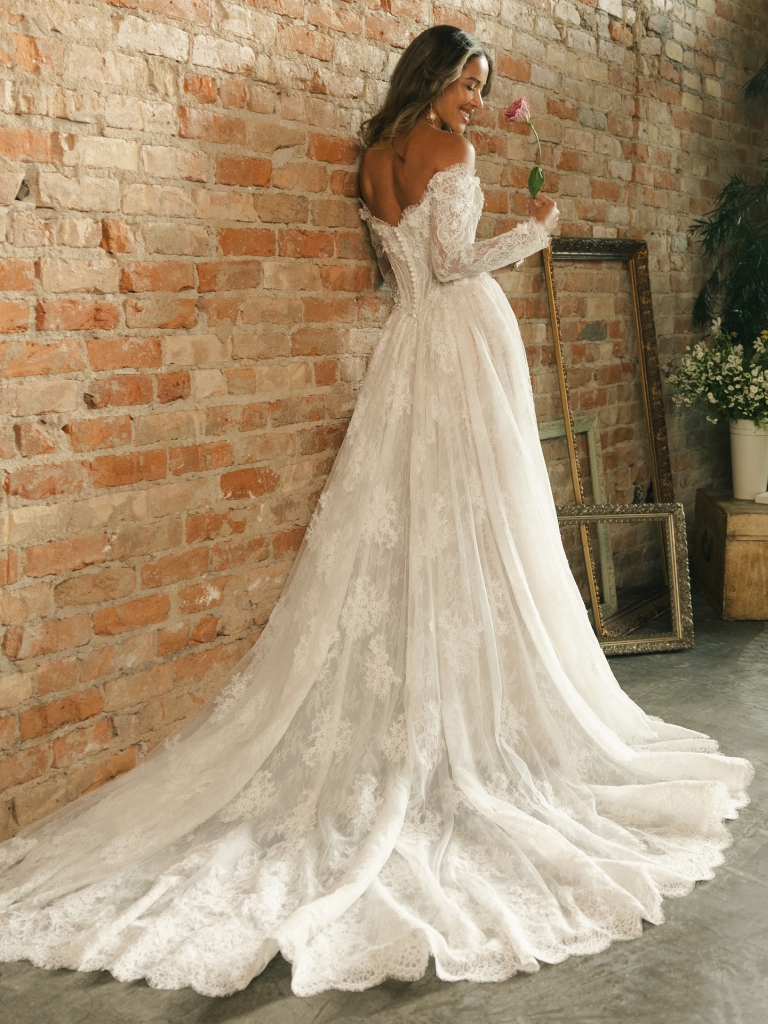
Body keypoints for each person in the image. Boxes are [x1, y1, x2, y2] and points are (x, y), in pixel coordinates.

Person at [0, 25, 753, 1000]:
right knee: (480, 516)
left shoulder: (376, 156)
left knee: (409, 524)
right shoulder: (447, 150)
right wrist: (535, 231)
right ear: (435, 80)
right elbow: (449, 265)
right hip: (459, 347)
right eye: (468, 88)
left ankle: (437, 698)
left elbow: (404, 266)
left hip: (407, 354)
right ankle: (464, 722)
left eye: (483, 94)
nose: (476, 106)